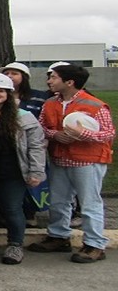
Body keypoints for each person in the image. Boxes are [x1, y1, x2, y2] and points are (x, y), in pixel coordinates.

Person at [27, 64, 115, 263]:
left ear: (69, 82)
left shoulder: (95, 105)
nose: (49, 81)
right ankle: (58, 236)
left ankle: (94, 244)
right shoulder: (50, 103)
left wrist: (81, 134)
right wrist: (55, 134)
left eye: (54, 77)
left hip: (87, 161)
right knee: (58, 201)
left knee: (89, 203)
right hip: (60, 158)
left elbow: (108, 134)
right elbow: (41, 127)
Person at [0, 73, 46, 265]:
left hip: (12, 172)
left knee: (12, 209)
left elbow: (36, 146)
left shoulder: (25, 117)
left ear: (8, 93)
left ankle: (15, 245)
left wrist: (36, 172)